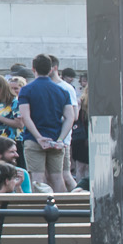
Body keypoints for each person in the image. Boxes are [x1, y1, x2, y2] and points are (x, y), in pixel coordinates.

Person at [16, 52, 74, 192]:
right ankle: (64, 210)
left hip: (34, 140)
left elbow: (25, 117)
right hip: (55, 139)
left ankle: (40, 210)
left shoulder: (26, 90)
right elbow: (70, 117)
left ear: (33, 69)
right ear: (51, 69)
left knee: (37, 179)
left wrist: (39, 137)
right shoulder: (62, 91)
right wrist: (60, 139)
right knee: (57, 178)